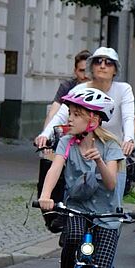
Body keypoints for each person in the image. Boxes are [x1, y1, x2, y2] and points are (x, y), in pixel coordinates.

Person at [38, 88, 126, 268]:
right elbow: (55, 169)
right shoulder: (66, 141)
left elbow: (110, 183)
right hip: (78, 208)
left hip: (107, 216)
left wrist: (98, 160)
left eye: (76, 115)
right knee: (73, 236)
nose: (71, 118)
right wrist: (45, 196)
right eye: (71, 113)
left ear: (93, 120)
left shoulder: (111, 146)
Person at [36, 46, 135, 155]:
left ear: (115, 70)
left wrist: (129, 139)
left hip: (113, 150)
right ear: (91, 67)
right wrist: (45, 135)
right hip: (81, 150)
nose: (103, 66)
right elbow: (61, 116)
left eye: (108, 63)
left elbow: (128, 118)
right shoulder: (79, 90)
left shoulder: (124, 89)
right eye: (98, 62)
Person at [35, 50, 91, 233]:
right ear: (76, 71)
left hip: (88, 140)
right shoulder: (68, 87)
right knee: (49, 162)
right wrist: (45, 135)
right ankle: (51, 214)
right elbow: (55, 112)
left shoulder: (95, 91)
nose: (86, 75)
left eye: (88, 70)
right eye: (82, 71)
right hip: (66, 134)